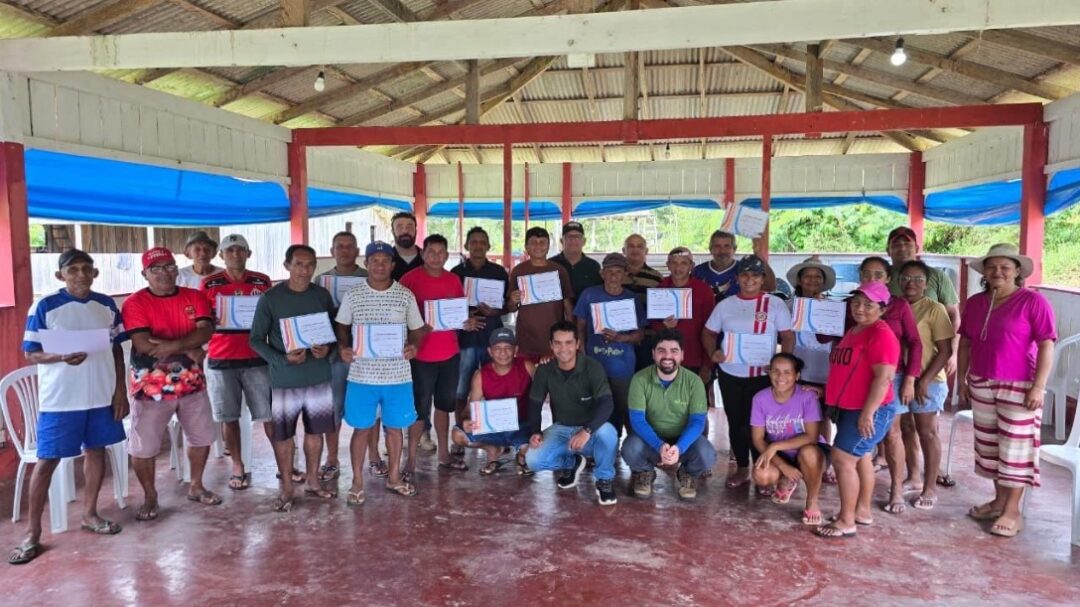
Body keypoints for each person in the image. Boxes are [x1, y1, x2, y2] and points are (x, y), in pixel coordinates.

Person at [8, 250, 128, 566]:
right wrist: (61, 357)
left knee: (96, 451)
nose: (81, 275)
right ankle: (33, 532)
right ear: (60, 275)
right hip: (61, 400)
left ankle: (90, 514)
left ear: (95, 273)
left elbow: (117, 349)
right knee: (48, 460)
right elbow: (32, 352)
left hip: (100, 394)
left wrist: (120, 391)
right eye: (73, 269)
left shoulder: (106, 304)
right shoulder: (45, 306)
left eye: (87, 269)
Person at [958, 244, 1056, 538]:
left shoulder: (1032, 301)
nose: (997, 272)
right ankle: (999, 501)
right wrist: (963, 379)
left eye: (1005, 267)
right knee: (989, 446)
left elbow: (1046, 344)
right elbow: (965, 343)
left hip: (1020, 385)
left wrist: (1038, 387)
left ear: (1017, 271)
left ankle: (1013, 511)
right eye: (991, 267)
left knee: (1016, 449)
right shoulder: (976, 303)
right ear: (984, 272)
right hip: (981, 381)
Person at [122, 247, 220, 522]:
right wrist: (189, 348)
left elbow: (206, 330)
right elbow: (143, 344)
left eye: (169, 267)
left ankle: (196, 485)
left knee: (201, 437)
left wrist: (171, 346)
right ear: (145, 274)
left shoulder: (194, 296)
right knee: (144, 447)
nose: (164, 273)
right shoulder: (135, 303)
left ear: (177, 269)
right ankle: (150, 495)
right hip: (150, 389)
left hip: (192, 384)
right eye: (156, 269)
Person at [335, 241, 428, 503]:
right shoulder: (353, 295)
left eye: (385, 261)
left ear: (392, 265)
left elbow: (417, 329)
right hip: (361, 376)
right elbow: (342, 325)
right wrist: (343, 347)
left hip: (397, 376)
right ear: (366, 264)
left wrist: (414, 346)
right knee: (361, 429)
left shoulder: (405, 295)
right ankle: (357, 481)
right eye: (374, 260)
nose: (379, 265)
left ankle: (394, 477)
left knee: (396, 429)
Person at [249, 245, 338, 512]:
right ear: (287, 265)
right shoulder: (271, 298)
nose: (304, 270)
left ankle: (313, 480)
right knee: (284, 435)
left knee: (316, 432)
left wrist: (328, 350)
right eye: (299, 264)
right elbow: (256, 339)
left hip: (318, 376)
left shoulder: (321, 296)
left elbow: (334, 332)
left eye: (310, 264)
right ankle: (287, 486)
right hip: (285, 380)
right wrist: (281, 359)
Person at [815, 282, 899, 539]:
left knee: (842, 459)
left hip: (868, 409)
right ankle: (862, 511)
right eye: (856, 303)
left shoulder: (881, 334)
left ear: (882, 309)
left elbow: (883, 378)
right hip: (849, 407)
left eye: (868, 305)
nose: (860, 309)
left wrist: (868, 413)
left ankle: (846, 520)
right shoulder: (855, 330)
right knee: (860, 458)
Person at [702, 254, 794, 491]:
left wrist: (783, 367)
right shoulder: (725, 305)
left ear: (763, 278)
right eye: (744, 274)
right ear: (737, 278)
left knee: (760, 425)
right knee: (736, 422)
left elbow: (787, 337)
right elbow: (708, 333)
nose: (749, 279)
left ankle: (764, 470)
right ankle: (742, 468)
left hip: (762, 376)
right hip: (730, 373)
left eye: (755, 275)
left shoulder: (775, 304)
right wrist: (713, 352)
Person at [400, 234, 481, 478]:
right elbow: (399, 315)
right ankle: (410, 461)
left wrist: (467, 323)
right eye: (431, 252)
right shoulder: (409, 280)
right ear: (422, 254)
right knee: (418, 410)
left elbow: (459, 314)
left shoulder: (453, 280)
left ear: (447, 255)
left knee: (444, 406)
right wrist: (415, 330)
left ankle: (444, 455)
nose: (436, 256)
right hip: (421, 356)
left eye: (440, 252)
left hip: (449, 354)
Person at [200, 234, 273, 491]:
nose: (235, 254)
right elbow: (202, 320)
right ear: (221, 255)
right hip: (221, 359)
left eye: (240, 250)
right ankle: (238, 465)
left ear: (248, 253)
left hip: (257, 358)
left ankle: (283, 463)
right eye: (229, 250)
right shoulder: (209, 284)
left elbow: (271, 315)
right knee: (229, 417)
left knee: (269, 415)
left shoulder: (262, 281)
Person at [855, 256, 922, 515]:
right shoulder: (854, 303)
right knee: (860, 431)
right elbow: (835, 336)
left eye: (878, 275)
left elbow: (915, 343)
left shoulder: (899, 305)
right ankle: (858, 490)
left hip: (892, 377)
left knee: (892, 432)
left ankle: (896, 489)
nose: (872, 279)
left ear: (888, 278)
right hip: (860, 376)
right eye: (867, 274)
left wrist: (910, 378)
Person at [525, 321, 619, 506]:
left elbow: (607, 403)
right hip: (562, 429)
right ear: (551, 345)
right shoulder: (544, 370)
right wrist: (535, 431)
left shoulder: (592, 366)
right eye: (558, 343)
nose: (563, 348)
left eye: (568, 342)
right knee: (533, 460)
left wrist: (587, 430)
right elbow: (535, 404)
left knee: (609, 433)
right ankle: (571, 463)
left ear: (577, 344)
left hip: (591, 431)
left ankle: (604, 479)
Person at [316, 231, 381, 485]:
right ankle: (332, 459)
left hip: (369, 354)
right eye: (339, 246)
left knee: (371, 406)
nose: (344, 250)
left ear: (357, 252)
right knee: (333, 407)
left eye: (349, 246)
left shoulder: (370, 277)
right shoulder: (321, 281)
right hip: (333, 354)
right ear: (332, 251)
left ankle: (374, 456)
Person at [622, 329, 716, 501]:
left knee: (707, 454)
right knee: (630, 449)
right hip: (651, 440)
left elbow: (697, 422)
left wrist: (679, 448)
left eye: (674, 351)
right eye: (661, 351)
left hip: (682, 440)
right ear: (653, 354)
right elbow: (637, 420)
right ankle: (645, 472)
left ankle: (687, 473)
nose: (667, 356)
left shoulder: (694, 381)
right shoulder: (639, 379)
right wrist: (659, 446)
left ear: (682, 355)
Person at [896, 260, 954, 510]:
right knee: (906, 427)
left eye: (918, 279)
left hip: (927, 381)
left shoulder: (934, 309)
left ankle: (930, 487)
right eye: (906, 278)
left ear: (927, 283)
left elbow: (945, 350)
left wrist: (924, 381)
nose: (912, 283)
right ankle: (913, 476)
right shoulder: (894, 306)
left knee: (927, 431)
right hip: (900, 379)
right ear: (898, 281)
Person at [450, 227, 510, 457]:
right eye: (473, 242)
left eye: (482, 242)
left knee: (495, 386)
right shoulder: (456, 273)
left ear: (488, 246)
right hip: (465, 339)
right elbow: (449, 309)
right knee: (461, 388)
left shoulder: (499, 272)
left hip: (492, 338)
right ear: (467, 245)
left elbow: (507, 305)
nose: (478, 246)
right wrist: (465, 315)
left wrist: (495, 310)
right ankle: (461, 432)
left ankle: (496, 433)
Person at [750, 353, 828, 525]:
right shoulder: (760, 398)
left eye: (787, 372)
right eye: (776, 371)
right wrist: (783, 466)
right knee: (762, 475)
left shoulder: (807, 396)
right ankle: (787, 478)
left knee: (809, 453)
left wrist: (775, 446)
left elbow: (812, 437)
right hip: (783, 455)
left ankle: (812, 501)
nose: (781, 377)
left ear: (797, 375)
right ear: (769, 372)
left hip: (810, 451)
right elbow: (757, 438)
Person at [573, 252, 644, 436]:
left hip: (623, 366)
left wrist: (621, 338)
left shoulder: (632, 299)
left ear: (625, 275)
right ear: (602, 273)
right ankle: (603, 445)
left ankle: (631, 446)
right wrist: (581, 350)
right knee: (596, 409)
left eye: (618, 272)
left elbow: (640, 334)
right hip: (594, 364)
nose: (613, 276)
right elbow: (580, 325)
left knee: (625, 407)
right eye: (609, 271)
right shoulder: (589, 295)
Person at [451, 327, 537, 476]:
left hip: (522, 426)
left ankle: (521, 454)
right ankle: (493, 449)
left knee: (535, 451)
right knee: (457, 435)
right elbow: (469, 408)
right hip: (493, 427)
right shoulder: (481, 375)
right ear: (490, 352)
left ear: (515, 350)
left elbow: (541, 396)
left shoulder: (527, 367)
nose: (503, 353)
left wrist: (536, 428)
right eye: (497, 349)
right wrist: (465, 420)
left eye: (507, 348)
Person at [886, 227, 960, 374]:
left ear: (917, 248)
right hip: (891, 361)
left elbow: (953, 315)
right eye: (896, 245)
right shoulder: (882, 277)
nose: (902, 248)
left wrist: (953, 352)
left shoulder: (937, 276)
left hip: (929, 361)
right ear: (888, 250)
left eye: (907, 244)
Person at [651, 246, 716, 402]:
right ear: (668, 265)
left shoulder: (704, 290)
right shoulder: (660, 289)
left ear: (691, 266)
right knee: (668, 404)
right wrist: (664, 327)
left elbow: (711, 330)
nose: (678, 267)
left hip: (695, 358)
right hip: (667, 359)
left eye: (684, 263)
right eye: (674, 263)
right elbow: (653, 325)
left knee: (695, 405)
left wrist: (707, 364)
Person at [508, 227, 574, 362]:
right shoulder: (518, 271)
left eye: (542, 242)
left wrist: (571, 334)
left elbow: (568, 306)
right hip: (526, 339)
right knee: (527, 374)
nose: (538, 246)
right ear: (526, 247)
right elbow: (511, 308)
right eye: (533, 242)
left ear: (548, 246)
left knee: (553, 374)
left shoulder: (559, 270)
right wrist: (513, 300)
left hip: (554, 339)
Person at [692, 230, 777, 303]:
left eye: (727, 246)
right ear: (710, 249)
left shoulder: (745, 268)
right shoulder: (698, 271)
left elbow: (770, 288)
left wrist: (760, 257)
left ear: (734, 249)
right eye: (717, 246)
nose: (722, 251)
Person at [550, 221, 602, 305]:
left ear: (584, 241)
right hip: (557, 313)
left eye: (577, 237)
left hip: (586, 313)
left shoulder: (594, 266)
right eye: (569, 237)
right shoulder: (550, 264)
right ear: (561, 241)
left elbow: (599, 294)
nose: (573, 240)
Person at [390, 211, 423, 281]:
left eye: (409, 227)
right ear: (393, 232)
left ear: (416, 231)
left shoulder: (427, 259)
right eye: (400, 227)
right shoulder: (386, 259)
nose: (405, 231)